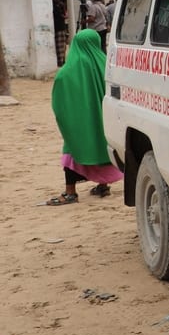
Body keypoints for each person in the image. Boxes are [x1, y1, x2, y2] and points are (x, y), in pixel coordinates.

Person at [45, 28, 122, 205]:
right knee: (103, 148)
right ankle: (103, 186)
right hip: (104, 120)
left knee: (72, 150)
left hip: (80, 123)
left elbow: (60, 98)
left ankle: (70, 193)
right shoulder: (106, 65)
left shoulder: (68, 70)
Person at [52, 0, 69, 66]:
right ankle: (61, 60)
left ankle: (61, 60)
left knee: (61, 46)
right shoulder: (57, 7)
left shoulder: (57, 7)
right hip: (60, 28)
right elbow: (64, 16)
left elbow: (64, 16)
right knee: (61, 46)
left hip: (59, 28)